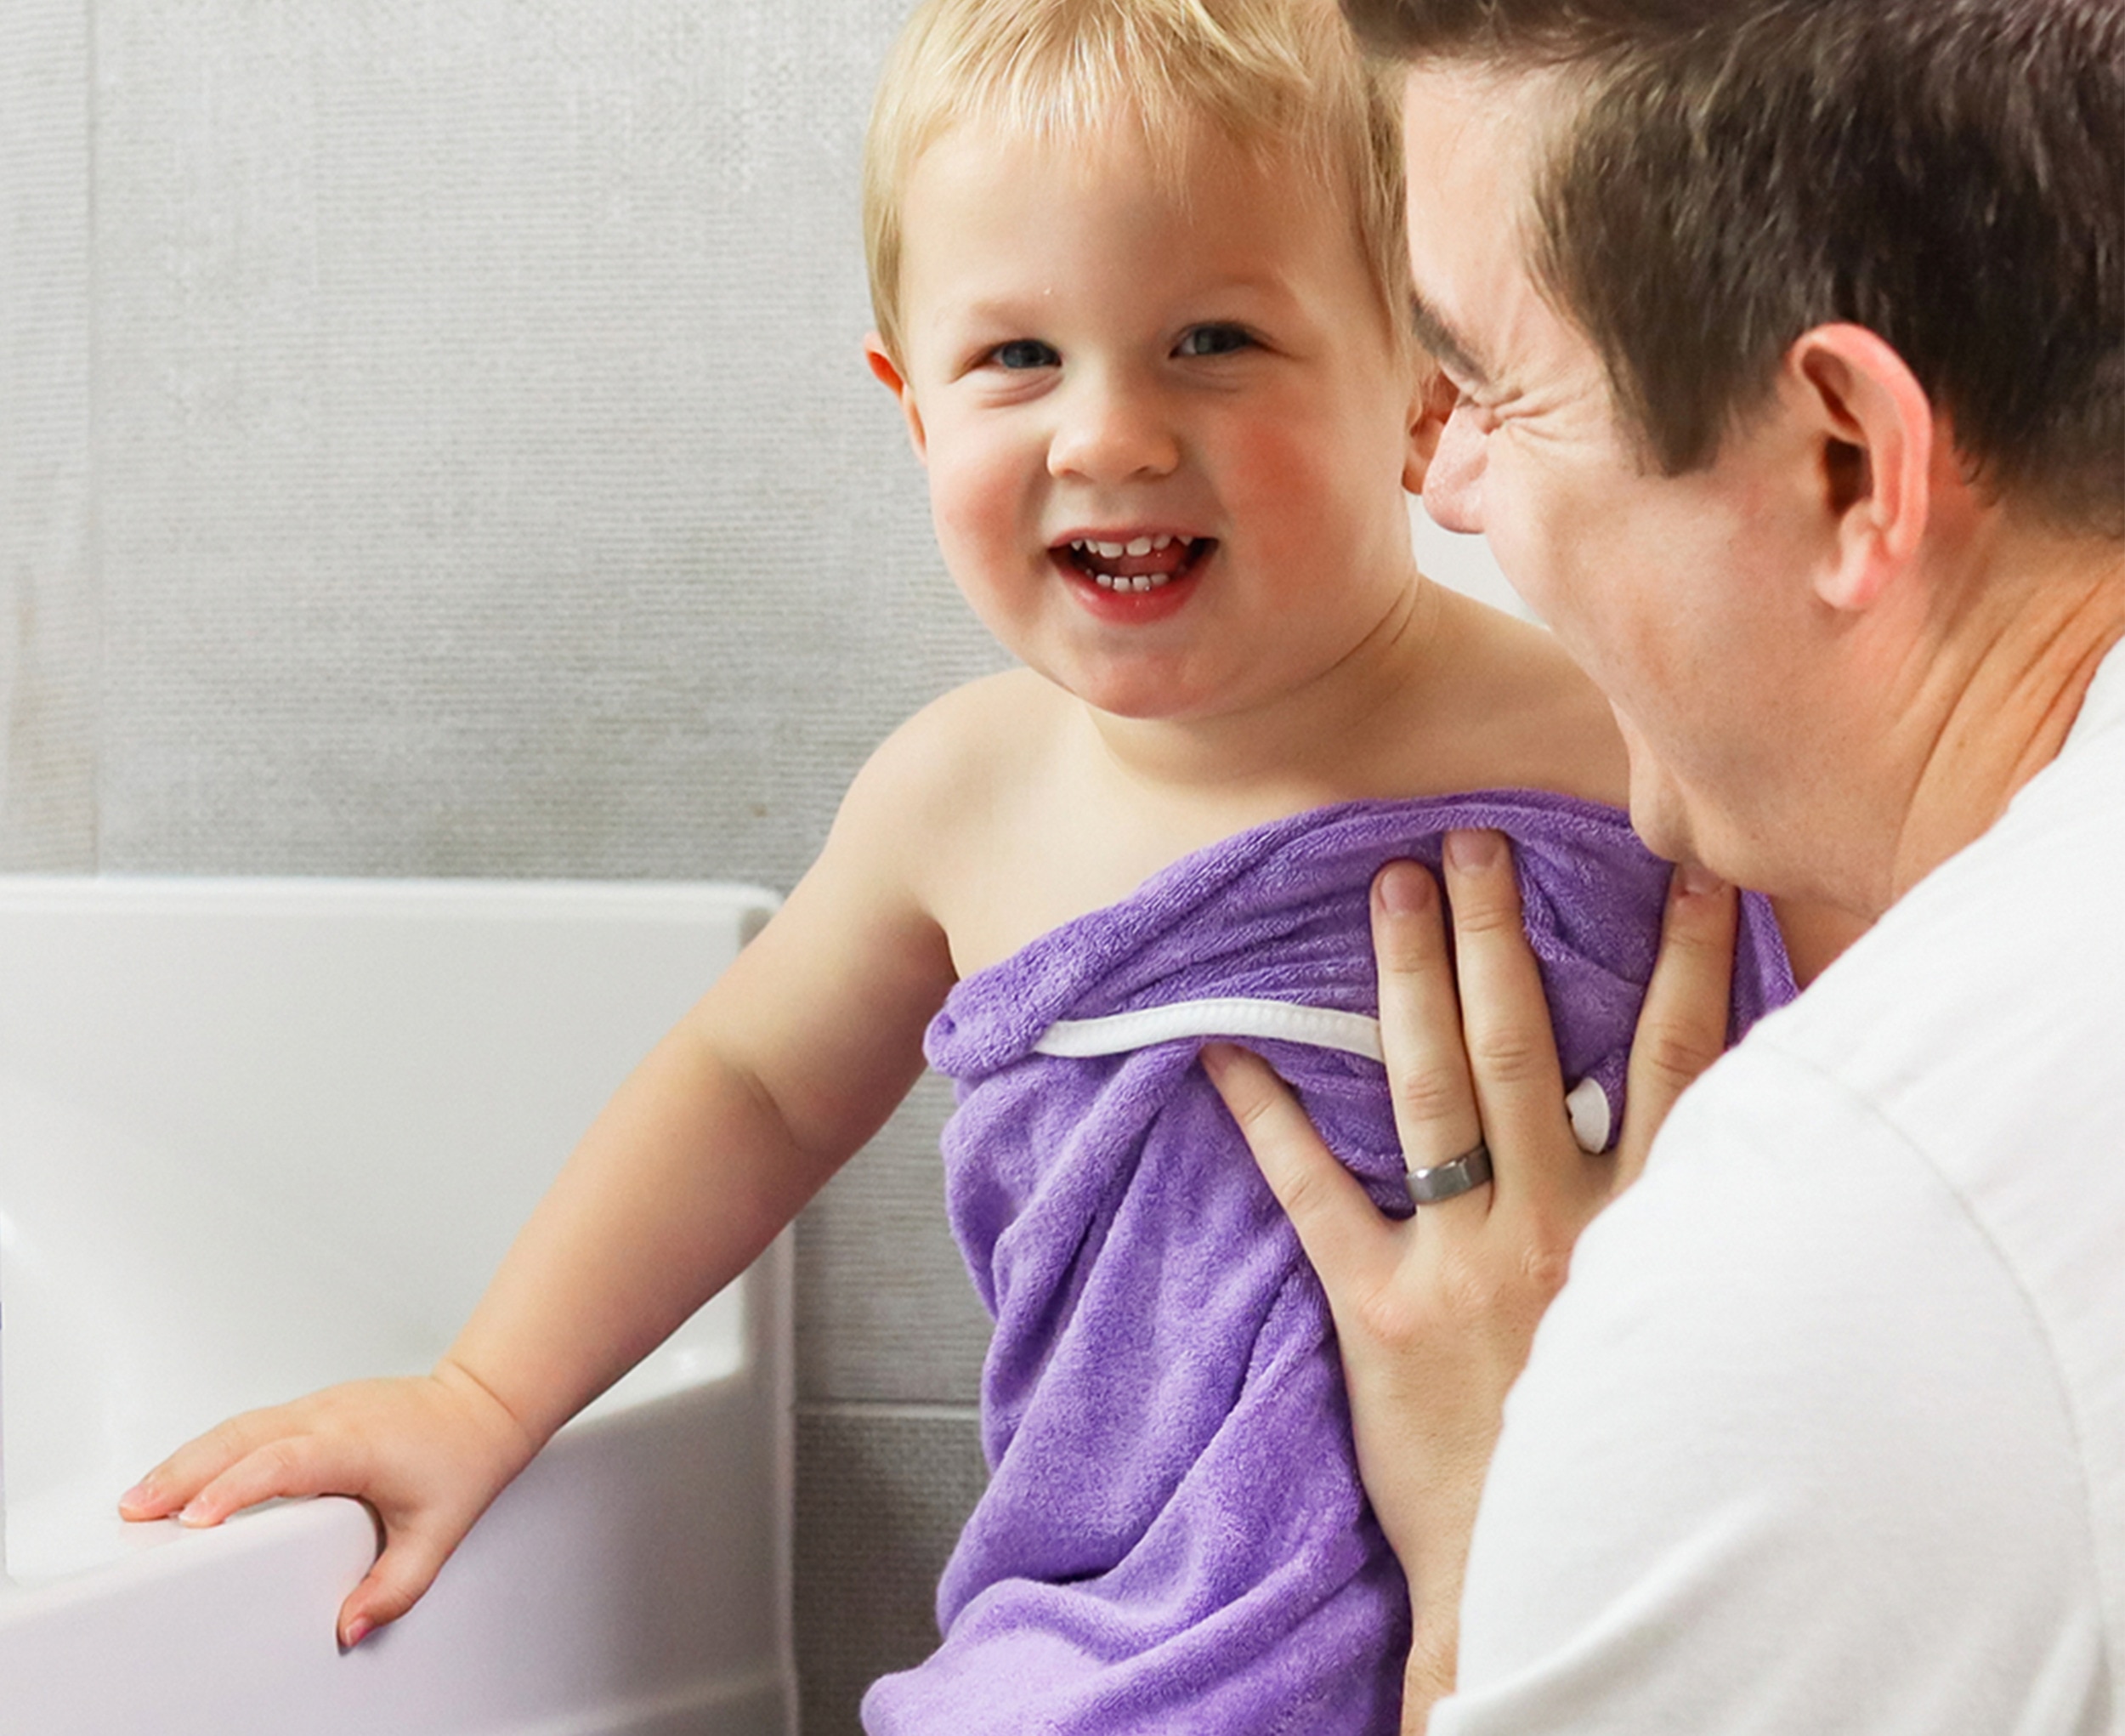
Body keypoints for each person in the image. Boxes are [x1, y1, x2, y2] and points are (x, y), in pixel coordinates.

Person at [116, 2, 1818, 1728]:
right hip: (1111, 1646)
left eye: (1212, 338)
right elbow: (754, 1084)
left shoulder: (1620, 739)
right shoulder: (963, 800)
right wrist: (479, 1394)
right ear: (911, 408)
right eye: (1015, 358)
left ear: (1420, 390)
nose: (1109, 435)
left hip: (1580, 1605)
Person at [1206, 0, 2125, 1729]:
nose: (1446, 486)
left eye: (1487, 385)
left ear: (1846, 463)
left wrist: (1500, 1529)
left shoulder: (1851, 1243)